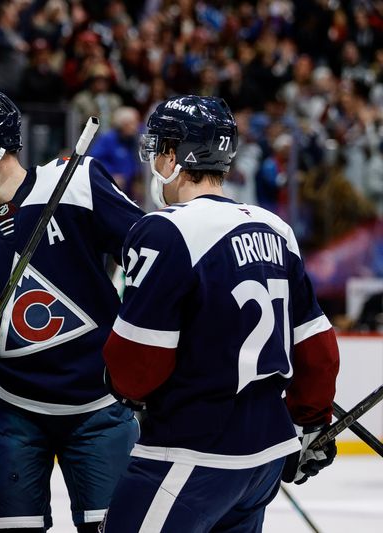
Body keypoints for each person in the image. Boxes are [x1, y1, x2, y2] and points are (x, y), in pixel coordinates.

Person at [101, 95, 340, 532]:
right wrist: (312, 421)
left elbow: (136, 369)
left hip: (190, 453)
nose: (154, 162)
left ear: (174, 155)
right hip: (265, 457)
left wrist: (118, 383)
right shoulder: (276, 227)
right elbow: (316, 346)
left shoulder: (164, 231)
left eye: (160, 150)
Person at [0, 90, 144, 533]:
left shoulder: (75, 183)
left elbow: (155, 261)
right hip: (9, 412)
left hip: (99, 406)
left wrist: (151, 350)